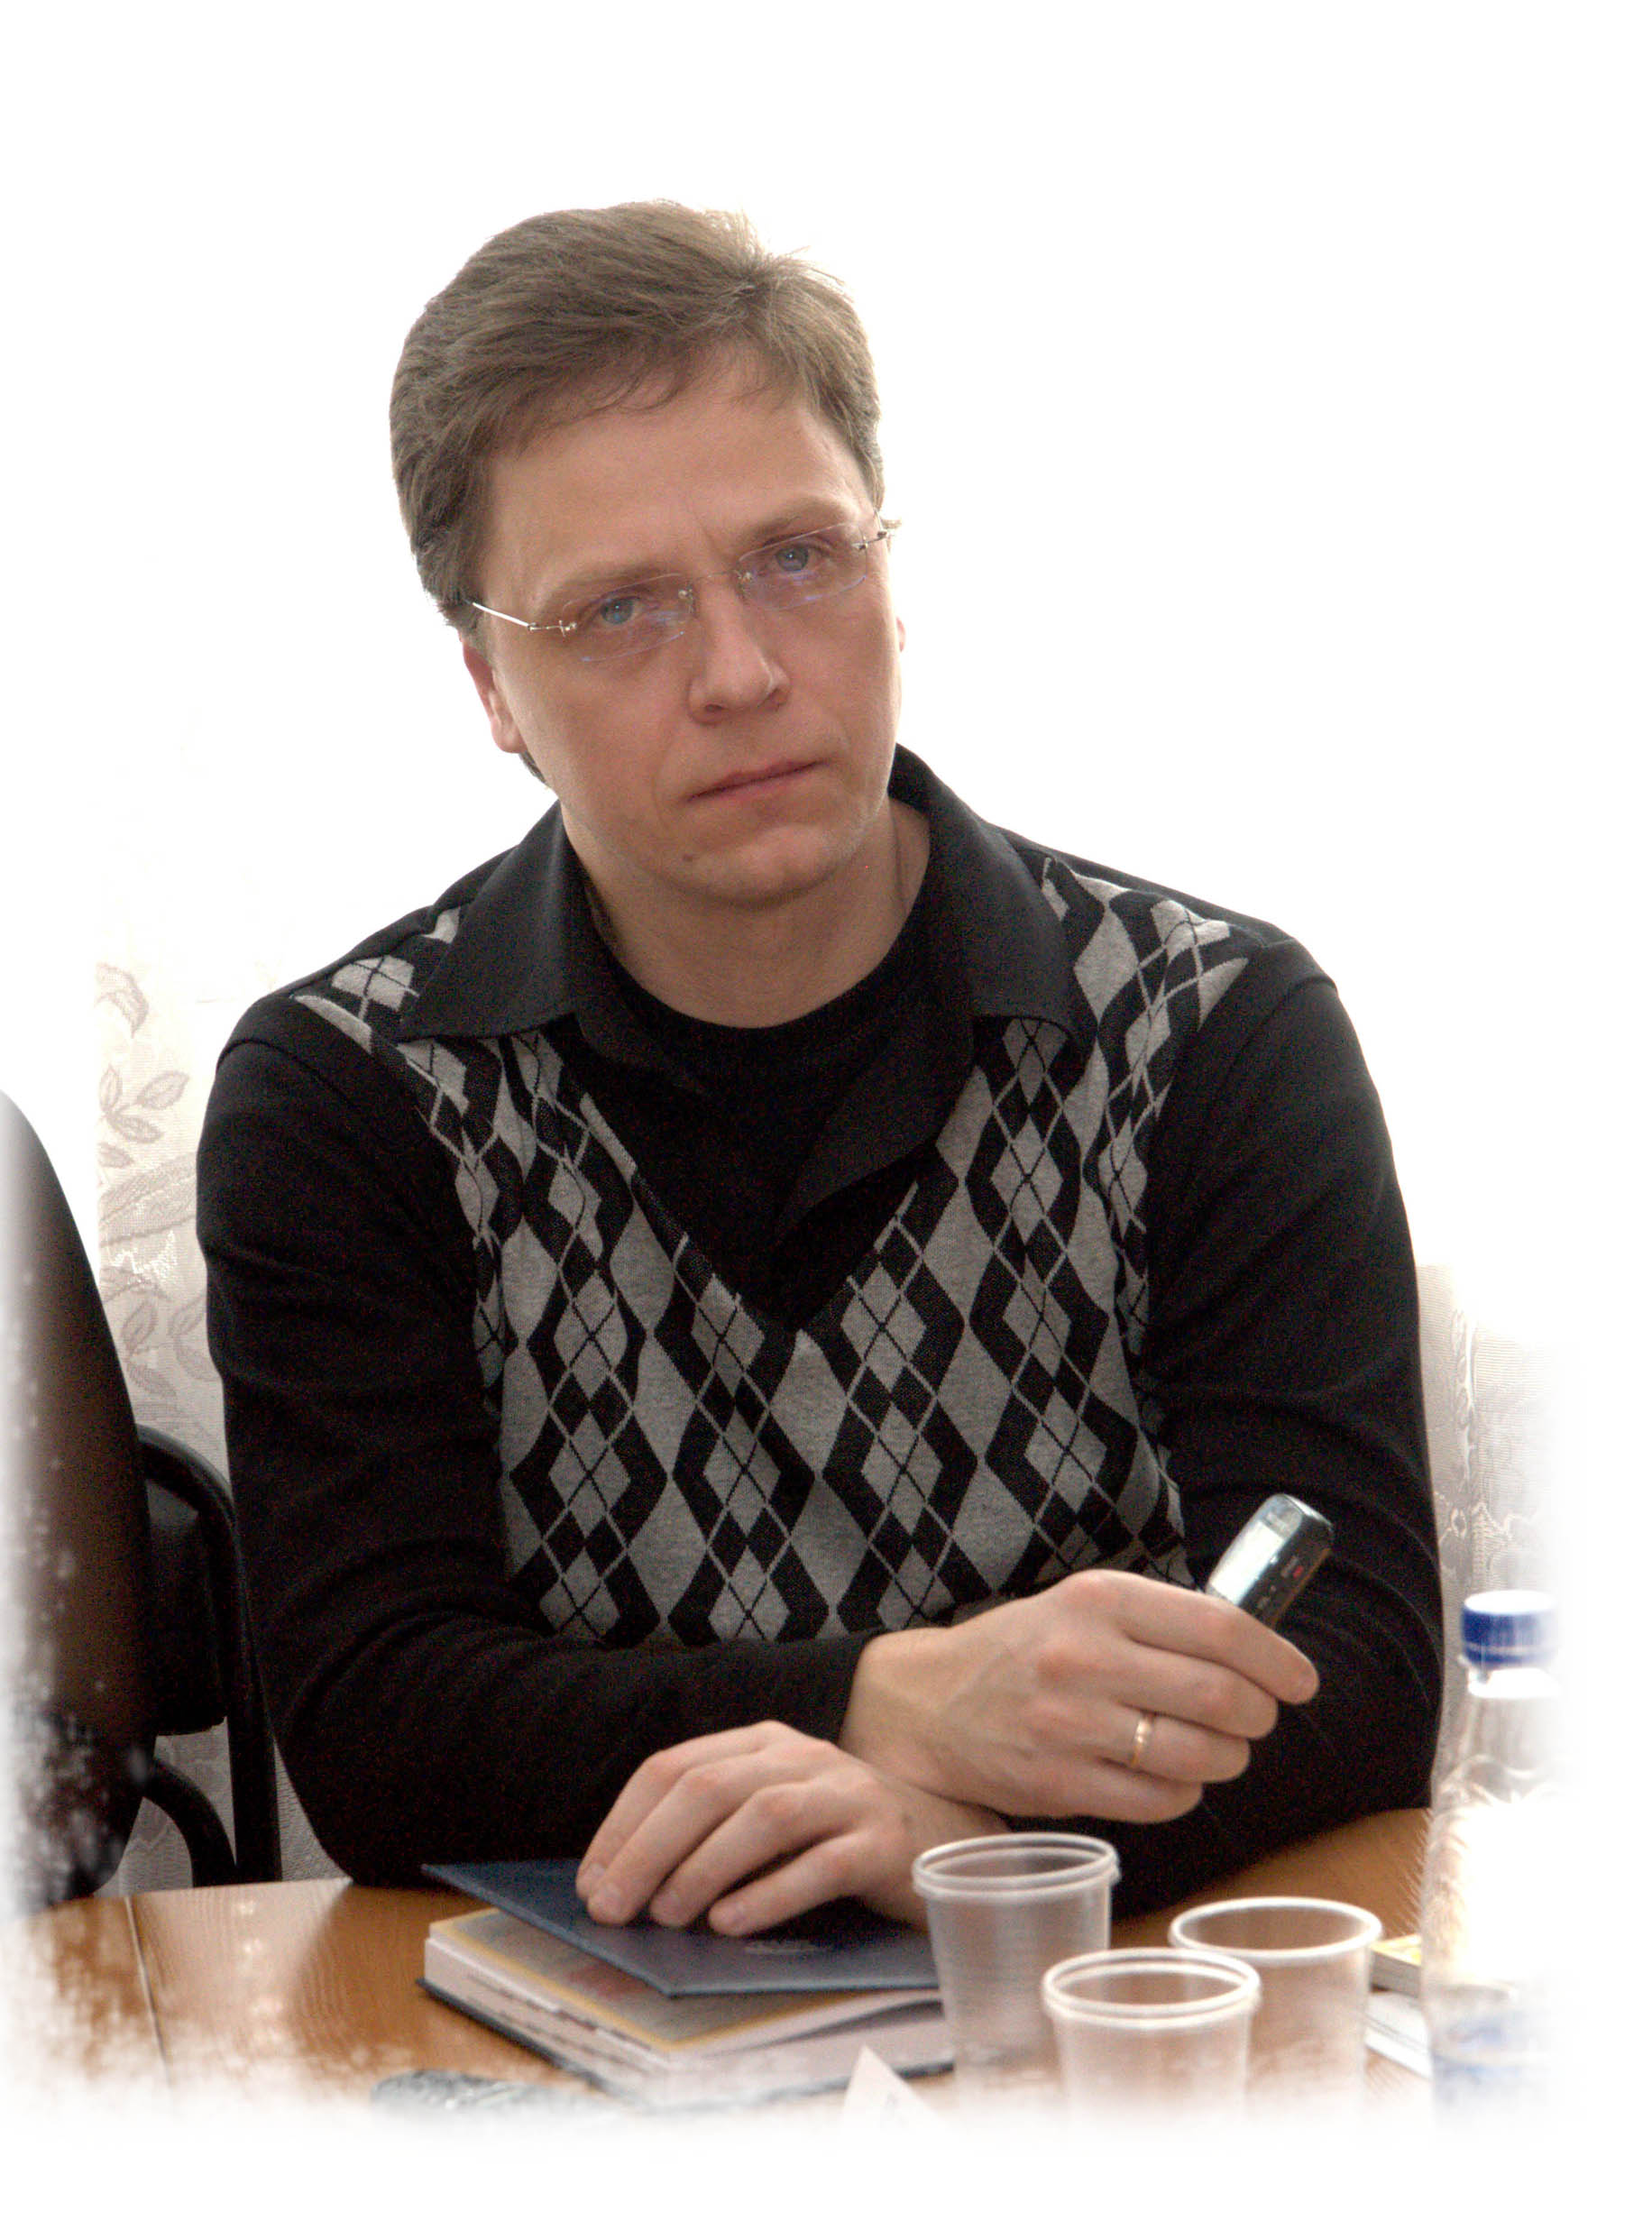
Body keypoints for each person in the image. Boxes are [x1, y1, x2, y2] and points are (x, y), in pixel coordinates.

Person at [197, 201, 1441, 1933]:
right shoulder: (349, 1093)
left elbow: (1357, 1661)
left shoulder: (1215, 1027)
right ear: (491, 688)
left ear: (889, 572)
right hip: (581, 2052)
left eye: (799, 557)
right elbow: (384, 1728)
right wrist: (889, 1698)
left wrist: (959, 1847)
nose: (741, 671)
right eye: (618, 610)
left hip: (1103, 2017)